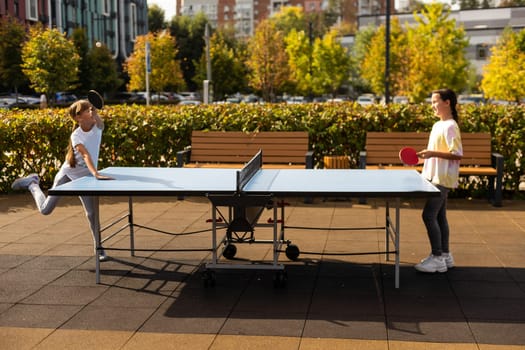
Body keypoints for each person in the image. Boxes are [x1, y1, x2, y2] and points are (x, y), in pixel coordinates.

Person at [11, 99, 113, 261]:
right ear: (79, 118)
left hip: (86, 177)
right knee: (45, 210)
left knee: (92, 213)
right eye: (87, 110)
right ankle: (32, 183)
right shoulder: (76, 135)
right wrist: (96, 173)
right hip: (68, 174)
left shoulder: (97, 128)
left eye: (91, 109)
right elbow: (85, 154)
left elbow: (100, 121)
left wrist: (95, 110)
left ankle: (99, 248)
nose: (91, 112)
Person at [415, 88, 463, 273]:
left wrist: (432, 153)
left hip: (442, 179)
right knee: (440, 216)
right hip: (434, 176)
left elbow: (457, 154)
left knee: (428, 215)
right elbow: (432, 154)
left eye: (435, 101)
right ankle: (445, 255)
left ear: (447, 103)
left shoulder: (451, 126)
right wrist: (419, 158)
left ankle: (437, 258)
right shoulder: (437, 125)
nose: (432, 105)